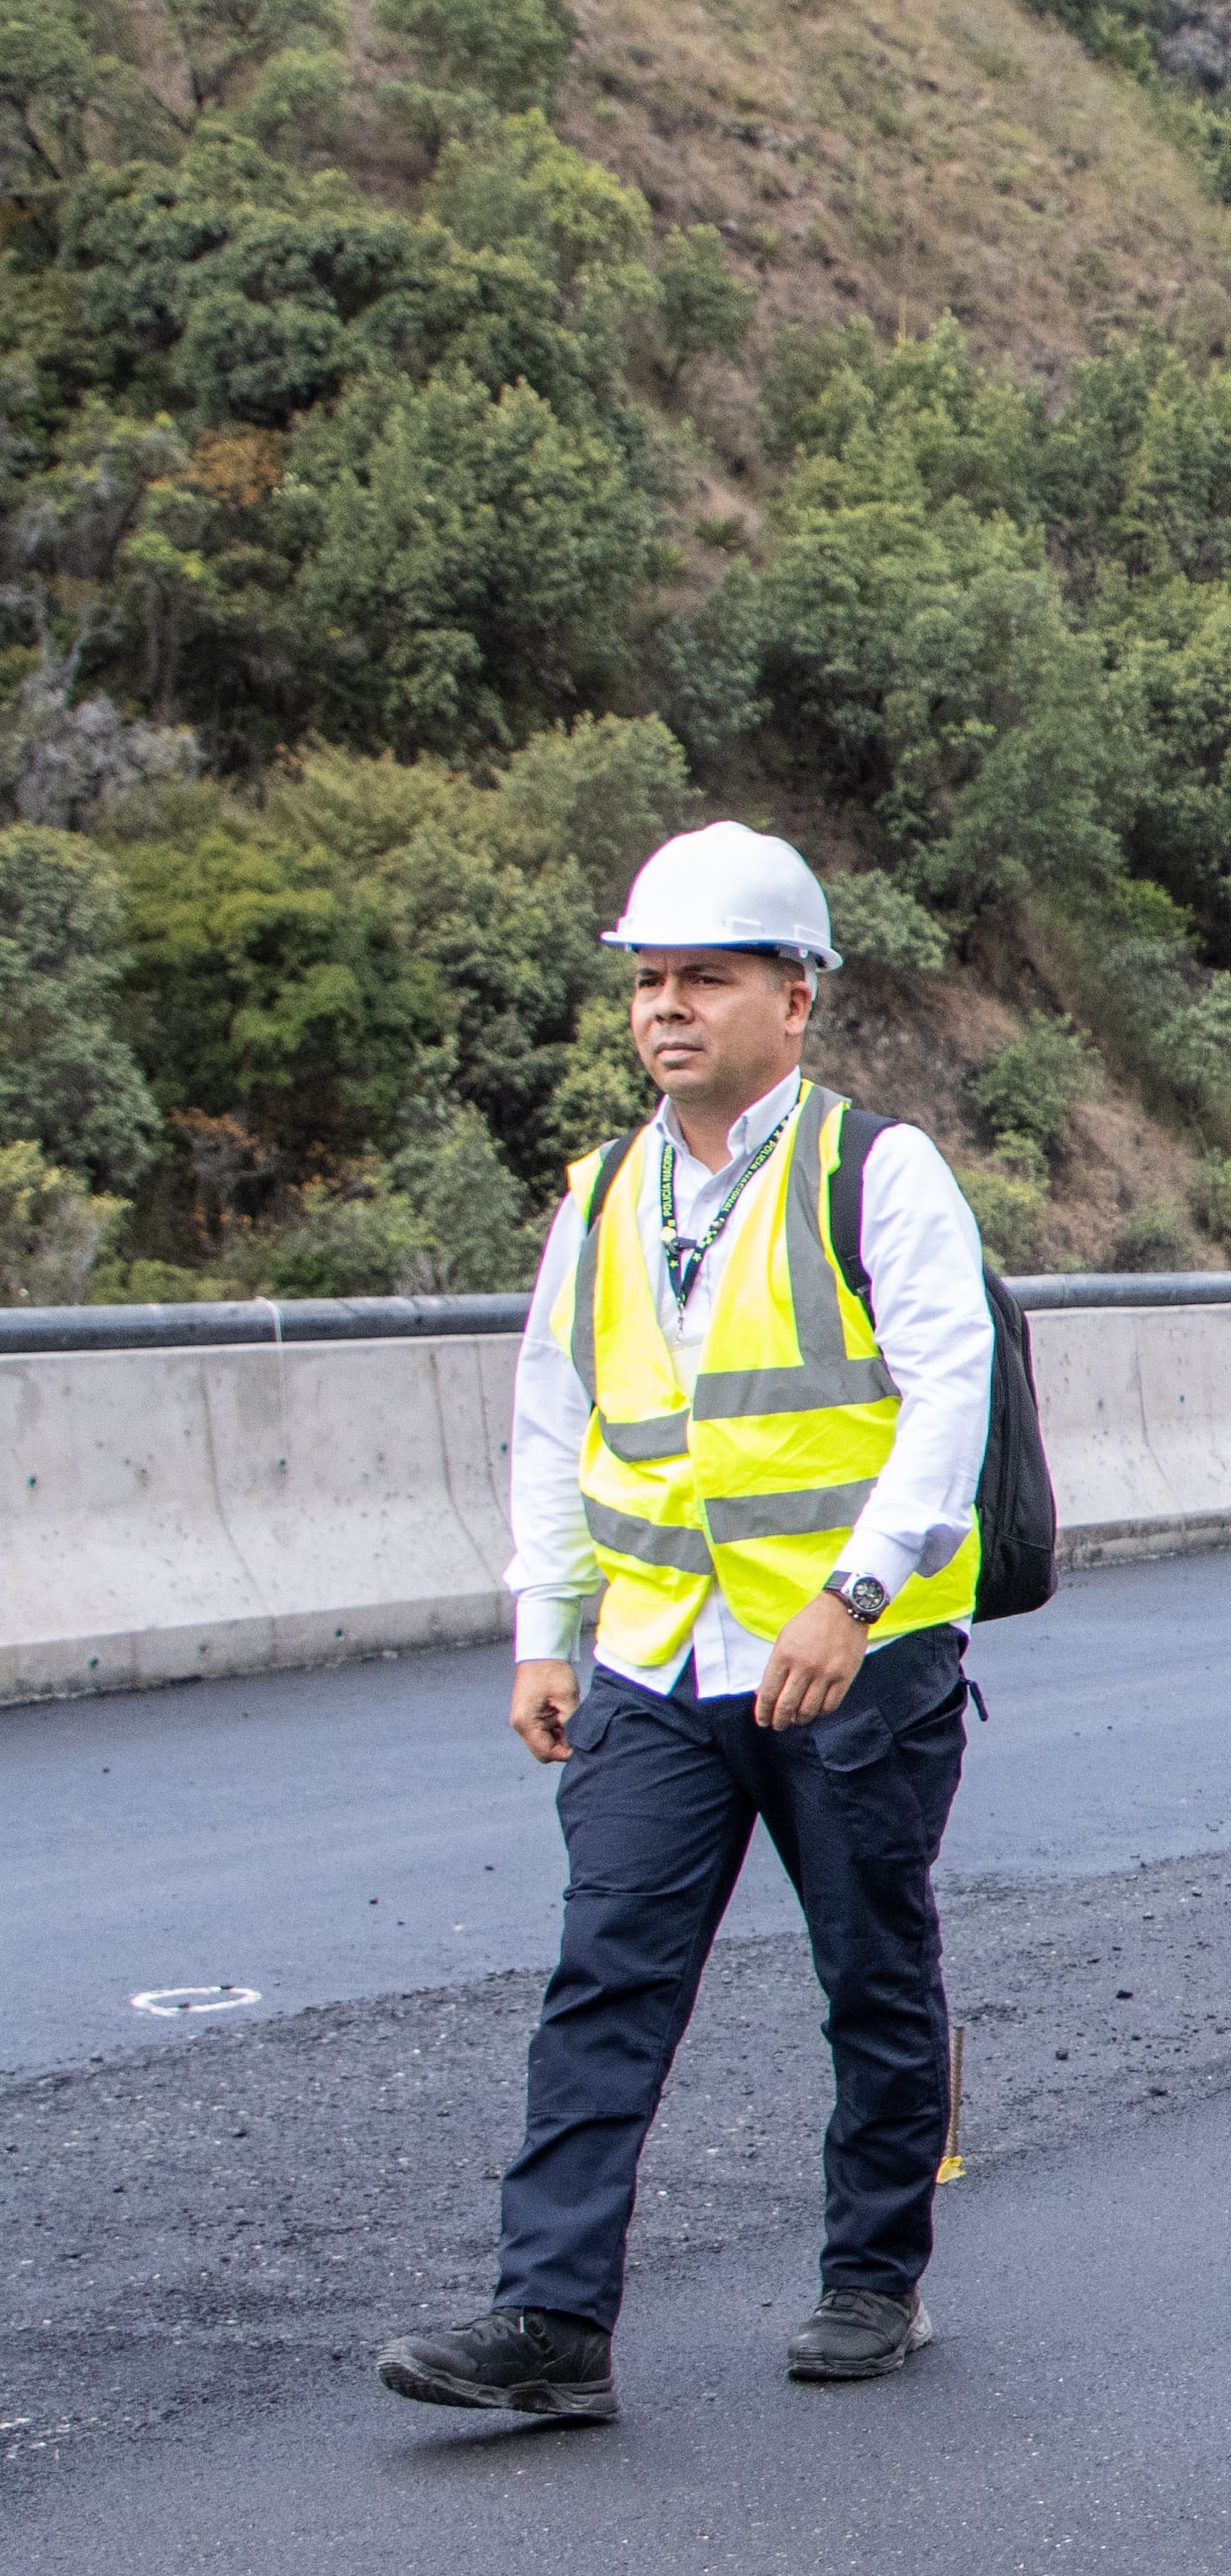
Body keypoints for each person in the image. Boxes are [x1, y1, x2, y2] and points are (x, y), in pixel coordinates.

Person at [375, 823, 995, 2423]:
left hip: (850, 1661)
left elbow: (949, 1399)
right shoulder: (598, 1195)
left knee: (872, 1966)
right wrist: (543, 1626)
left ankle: (873, 2276)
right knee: (606, 1974)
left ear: (796, 999)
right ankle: (552, 2318)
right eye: (649, 980)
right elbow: (551, 1418)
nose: (666, 1008)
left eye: (705, 978)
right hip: (655, 1659)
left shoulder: (877, 1169)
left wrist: (853, 1595)